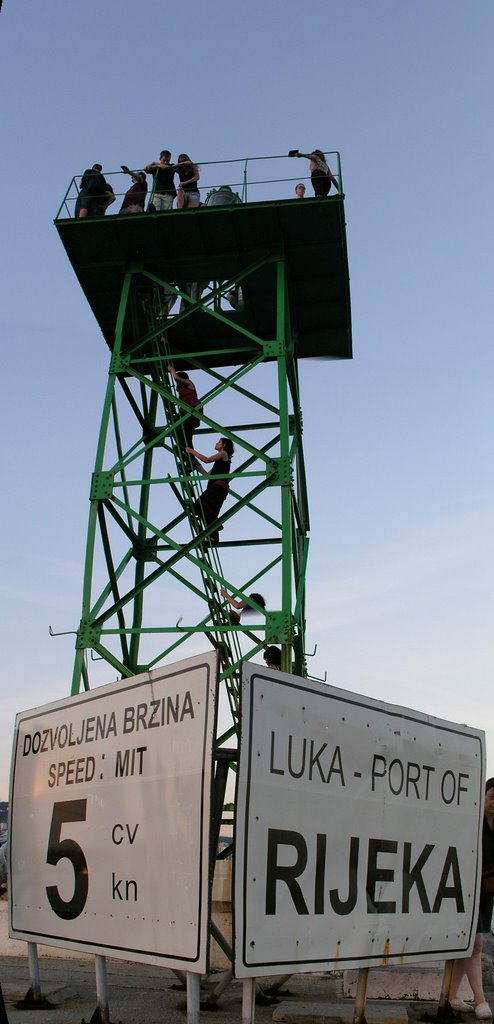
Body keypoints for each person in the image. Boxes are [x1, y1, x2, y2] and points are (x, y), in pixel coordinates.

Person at [448, 778, 494, 1020]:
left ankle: (452, 996)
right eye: (492, 796)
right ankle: (480, 1000)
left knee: (468, 946)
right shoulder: (472, 820)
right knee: (475, 944)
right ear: (483, 796)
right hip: (467, 889)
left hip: (486, 891)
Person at [185, 438, 234, 543]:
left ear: (224, 445)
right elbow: (207, 475)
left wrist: (191, 451)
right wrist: (196, 463)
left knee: (200, 503)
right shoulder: (220, 462)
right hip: (220, 489)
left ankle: (217, 524)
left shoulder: (224, 453)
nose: (216, 443)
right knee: (209, 511)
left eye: (219, 442)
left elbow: (207, 460)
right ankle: (213, 537)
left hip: (218, 487)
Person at [167, 366, 202, 450]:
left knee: (174, 423)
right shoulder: (183, 390)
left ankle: (183, 446)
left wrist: (172, 369)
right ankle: (192, 458)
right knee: (188, 438)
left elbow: (175, 378)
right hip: (188, 413)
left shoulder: (189, 382)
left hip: (192, 409)